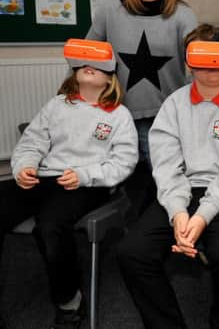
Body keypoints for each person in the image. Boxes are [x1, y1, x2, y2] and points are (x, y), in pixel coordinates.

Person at [116, 24, 219, 329]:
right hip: (183, 189)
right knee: (133, 252)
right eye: (202, 59)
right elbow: (166, 165)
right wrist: (178, 214)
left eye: (218, 57)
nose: (212, 68)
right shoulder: (173, 104)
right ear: (188, 62)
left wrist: (201, 216)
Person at [0, 41, 138, 329]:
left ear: (110, 77)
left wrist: (85, 175)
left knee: (51, 224)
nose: (91, 67)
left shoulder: (119, 115)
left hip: (89, 184)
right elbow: (32, 142)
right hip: (45, 177)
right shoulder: (56, 106)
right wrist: (24, 165)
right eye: (85, 63)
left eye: (100, 65)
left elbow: (123, 163)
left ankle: (69, 303)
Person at [86, 0, 198, 167]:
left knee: (161, 185)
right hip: (116, 115)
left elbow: (200, 60)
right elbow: (85, 58)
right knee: (116, 184)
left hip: (164, 119)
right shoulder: (109, 9)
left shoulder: (183, 14)